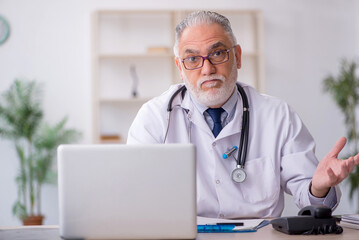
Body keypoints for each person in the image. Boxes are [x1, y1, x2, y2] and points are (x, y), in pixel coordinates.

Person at [127, 11, 359, 219]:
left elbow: (309, 198)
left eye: (217, 53)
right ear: (180, 67)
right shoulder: (154, 119)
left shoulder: (277, 115)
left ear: (237, 56)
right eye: (192, 59)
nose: (207, 69)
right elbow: (134, 197)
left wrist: (318, 187)